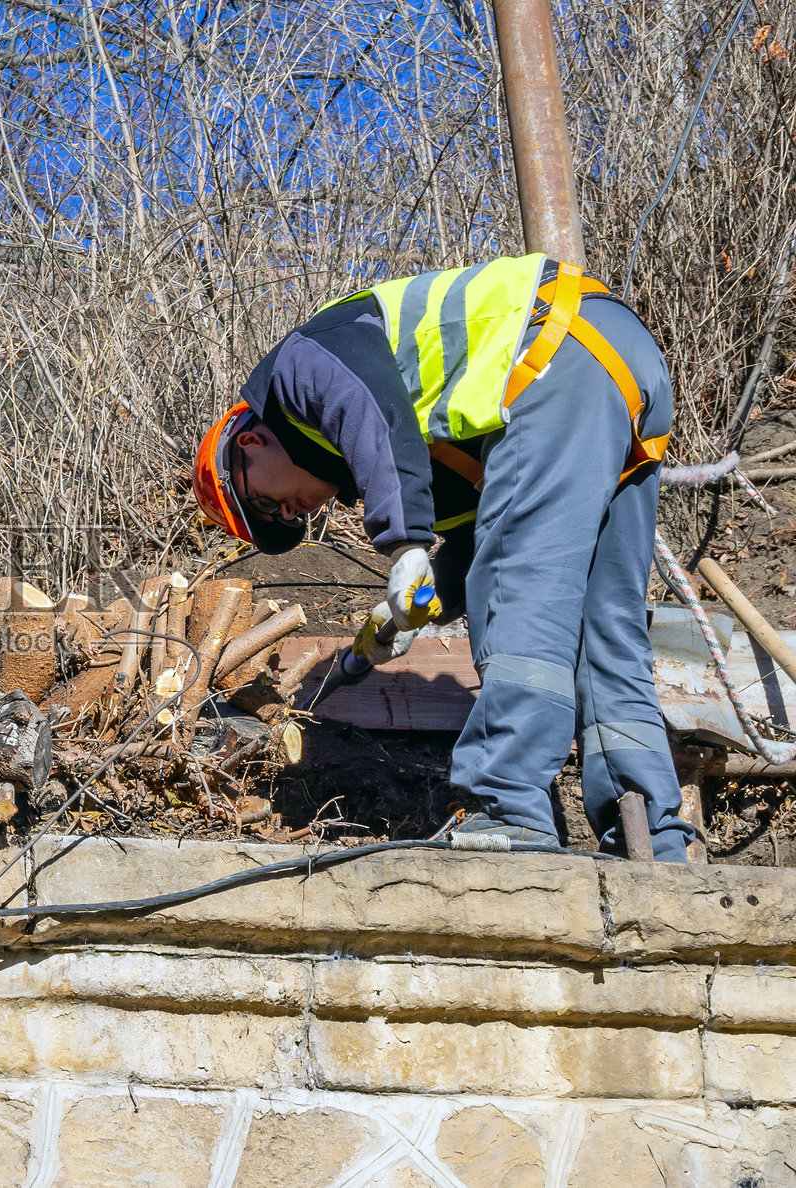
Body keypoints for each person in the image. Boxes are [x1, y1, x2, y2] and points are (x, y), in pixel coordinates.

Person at [192, 253, 695, 861]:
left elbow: (374, 414)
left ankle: (508, 809)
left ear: (248, 443)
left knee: (520, 590)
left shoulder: (300, 364)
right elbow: (485, 545)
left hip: (547, 351)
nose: (291, 516)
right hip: (617, 367)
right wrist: (415, 611)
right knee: (604, 622)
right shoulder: (424, 450)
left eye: (266, 506)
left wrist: (403, 546)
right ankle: (652, 837)